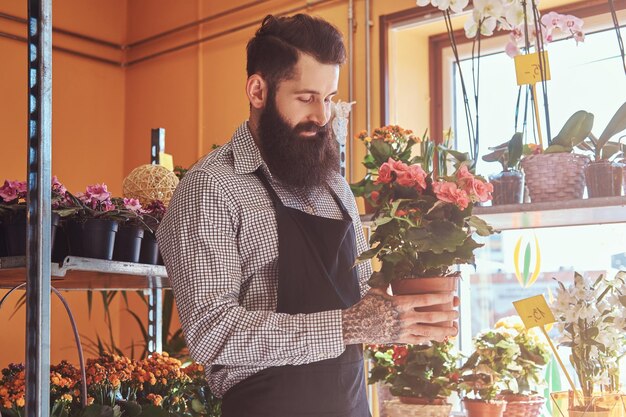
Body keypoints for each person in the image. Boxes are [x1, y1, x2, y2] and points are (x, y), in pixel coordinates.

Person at [157, 13, 458, 417]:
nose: (322, 116)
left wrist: (407, 314)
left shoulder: (332, 185)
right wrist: (347, 327)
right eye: (306, 98)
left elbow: (361, 289)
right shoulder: (211, 187)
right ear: (258, 90)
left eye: (329, 98)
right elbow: (212, 332)